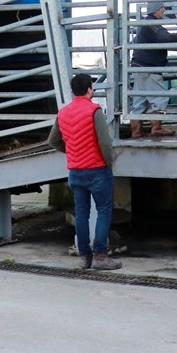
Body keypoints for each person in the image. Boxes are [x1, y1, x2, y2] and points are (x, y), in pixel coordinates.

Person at [46, 73, 121, 270]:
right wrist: (109, 164)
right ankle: (100, 256)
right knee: (104, 211)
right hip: (97, 170)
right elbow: (105, 143)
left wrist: (71, 151)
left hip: (76, 171)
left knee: (81, 214)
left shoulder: (63, 113)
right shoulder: (94, 111)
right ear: (89, 89)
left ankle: (84, 257)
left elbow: (52, 140)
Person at [129, 0, 177, 137]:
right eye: (162, 8)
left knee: (140, 101)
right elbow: (165, 38)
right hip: (149, 67)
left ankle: (136, 131)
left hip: (138, 66)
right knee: (160, 97)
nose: (164, 10)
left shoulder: (145, 23)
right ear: (155, 9)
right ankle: (156, 128)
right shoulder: (153, 24)